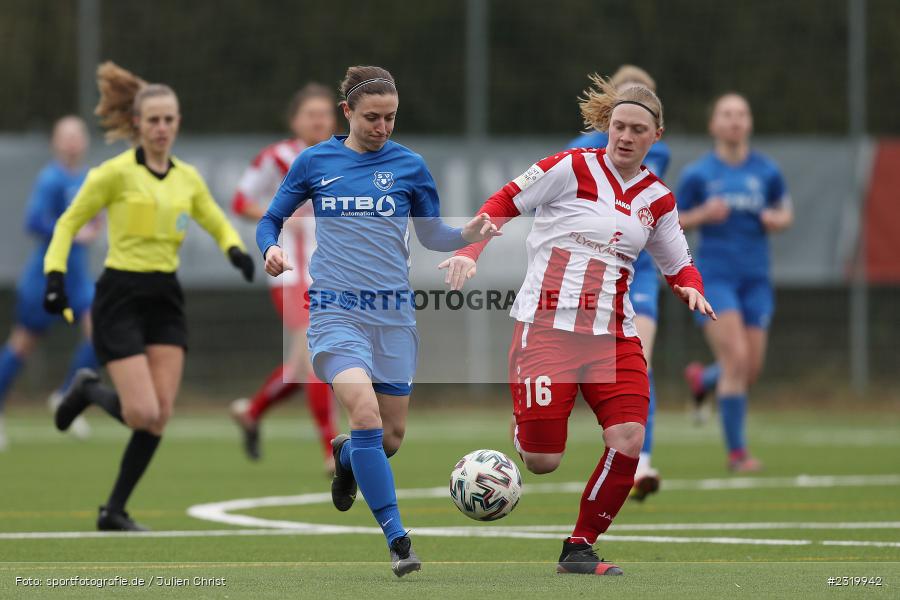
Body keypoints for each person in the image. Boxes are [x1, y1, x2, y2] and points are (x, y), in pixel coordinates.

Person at [439, 74, 714, 576]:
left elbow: (678, 262)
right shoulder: (569, 167)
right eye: (618, 126)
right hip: (546, 330)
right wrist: (470, 251)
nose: (626, 136)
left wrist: (691, 286)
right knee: (543, 461)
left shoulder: (659, 200)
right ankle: (526, 427)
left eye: (637, 129)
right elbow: (501, 203)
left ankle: (579, 546)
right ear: (607, 126)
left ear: (657, 135)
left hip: (613, 337)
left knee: (629, 436)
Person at [257, 65, 497, 577]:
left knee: (388, 438)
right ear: (347, 112)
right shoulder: (315, 161)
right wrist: (270, 249)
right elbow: (269, 218)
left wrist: (468, 236)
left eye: (390, 117)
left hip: (393, 319)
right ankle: (398, 540)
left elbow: (432, 235)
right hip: (333, 312)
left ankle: (347, 460)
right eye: (372, 117)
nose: (382, 126)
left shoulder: (410, 166)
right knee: (363, 413)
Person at [43, 62, 254, 531]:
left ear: (178, 123)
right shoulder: (112, 174)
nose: (161, 128)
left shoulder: (187, 178)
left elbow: (215, 219)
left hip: (166, 298)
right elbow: (68, 223)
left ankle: (113, 511)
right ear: (137, 123)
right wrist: (54, 276)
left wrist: (235, 250)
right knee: (142, 411)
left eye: (169, 119)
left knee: (159, 418)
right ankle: (88, 390)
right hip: (120, 294)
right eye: (153, 120)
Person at [567, 65, 670, 501]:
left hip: (638, 272)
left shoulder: (655, 150)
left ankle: (637, 459)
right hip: (590, 276)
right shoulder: (579, 153)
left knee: (637, 363)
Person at [676, 92, 792, 472]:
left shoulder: (766, 171)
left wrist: (778, 219)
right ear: (713, 124)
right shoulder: (698, 174)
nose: (735, 120)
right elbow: (671, 221)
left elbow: (785, 209)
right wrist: (702, 215)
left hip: (756, 278)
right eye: (726, 114)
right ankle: (737, 454)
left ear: (750, 122)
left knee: (749, 369)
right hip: (715, 276)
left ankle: (702, 378)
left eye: (741, 113)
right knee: (736, 360)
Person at [229, 84, 338, 470]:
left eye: (324, 113)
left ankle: (253, 411)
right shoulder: (276, 157)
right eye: (310, 114)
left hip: (332, 272)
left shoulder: (345, 157)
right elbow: (240, 201)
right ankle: (331, 451)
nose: (318, 120)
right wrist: (279, 215)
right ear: (295, 120)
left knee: (299, 368)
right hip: (291, 273)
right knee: (315, 359)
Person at [0, 116, 100, 450]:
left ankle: (66, 395)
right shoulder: (50, 179)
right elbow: (34, 221)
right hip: (46, 276)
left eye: (77, 136)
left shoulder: (90, 178)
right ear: (55, 143)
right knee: (22, 346)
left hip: (79, 279)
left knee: (100, 332)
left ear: (85, 142)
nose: (72, 142)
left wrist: (94, 225)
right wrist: (72, 229)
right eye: (65, 136)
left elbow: (95, 217)